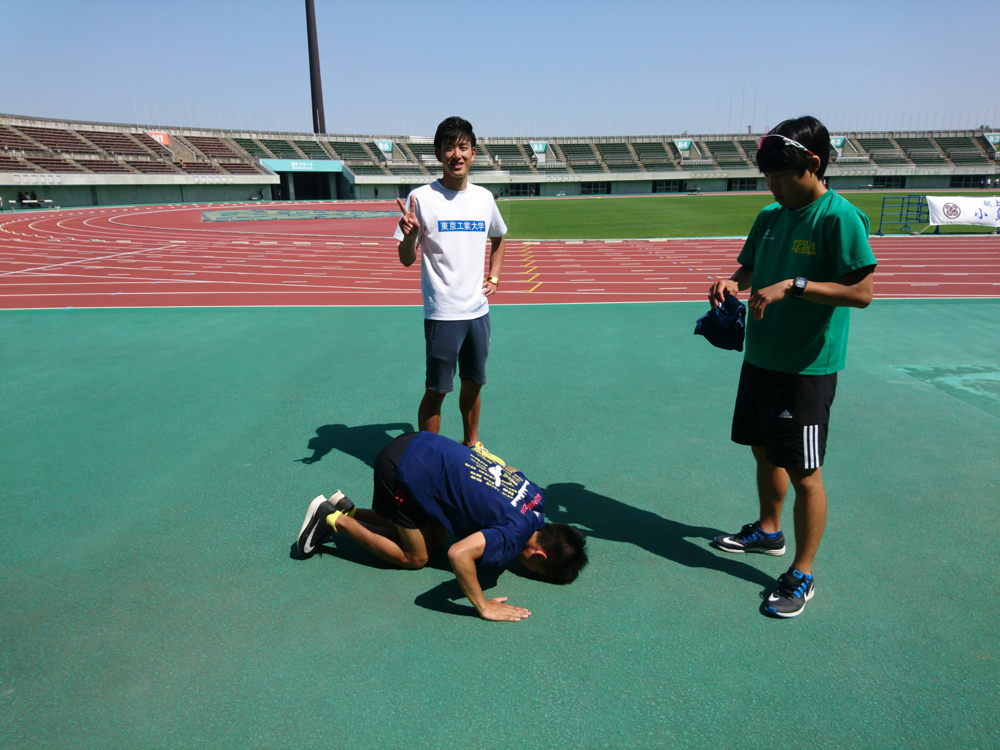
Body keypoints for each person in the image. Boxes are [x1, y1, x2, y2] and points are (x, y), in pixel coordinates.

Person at [707, 116, 877, 619]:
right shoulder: (770, 216)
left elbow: (861, 293)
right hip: (760, 358)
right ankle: (768, 530)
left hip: (806, 368)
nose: (774, 187)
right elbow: (752, 266)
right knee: (764, 453)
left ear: (813, 165)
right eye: (768, 179)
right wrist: (733, 282)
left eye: (782, 178)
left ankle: (802, 571)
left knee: (806, 473)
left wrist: (795, 285)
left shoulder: (839, 217)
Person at [295, 431, 588, 621]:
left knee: (431, 543)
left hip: (422, 443)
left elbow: (508, 471)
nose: (525, 569)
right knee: (416, 557)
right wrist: (483, 606)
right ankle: (330, 518)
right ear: (540, 555)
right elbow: (459, 554)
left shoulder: (536, 499)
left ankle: (350, 510)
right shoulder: (513, 537)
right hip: (400, 470)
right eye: (534, 571)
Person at [393, 117, 507, 451]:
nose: (455, 154)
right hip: (442, 313)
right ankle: (430, 458)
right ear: (438, 154)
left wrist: (494, 277)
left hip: (477, 313)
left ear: (473, 152)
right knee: (437, 390)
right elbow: (405, 259)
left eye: (461, 147)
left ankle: (471, 446)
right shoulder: (421, 198)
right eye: (448, 147)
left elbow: (499, 237)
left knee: (473, 385)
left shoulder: (484, 198)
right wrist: (410, 237)